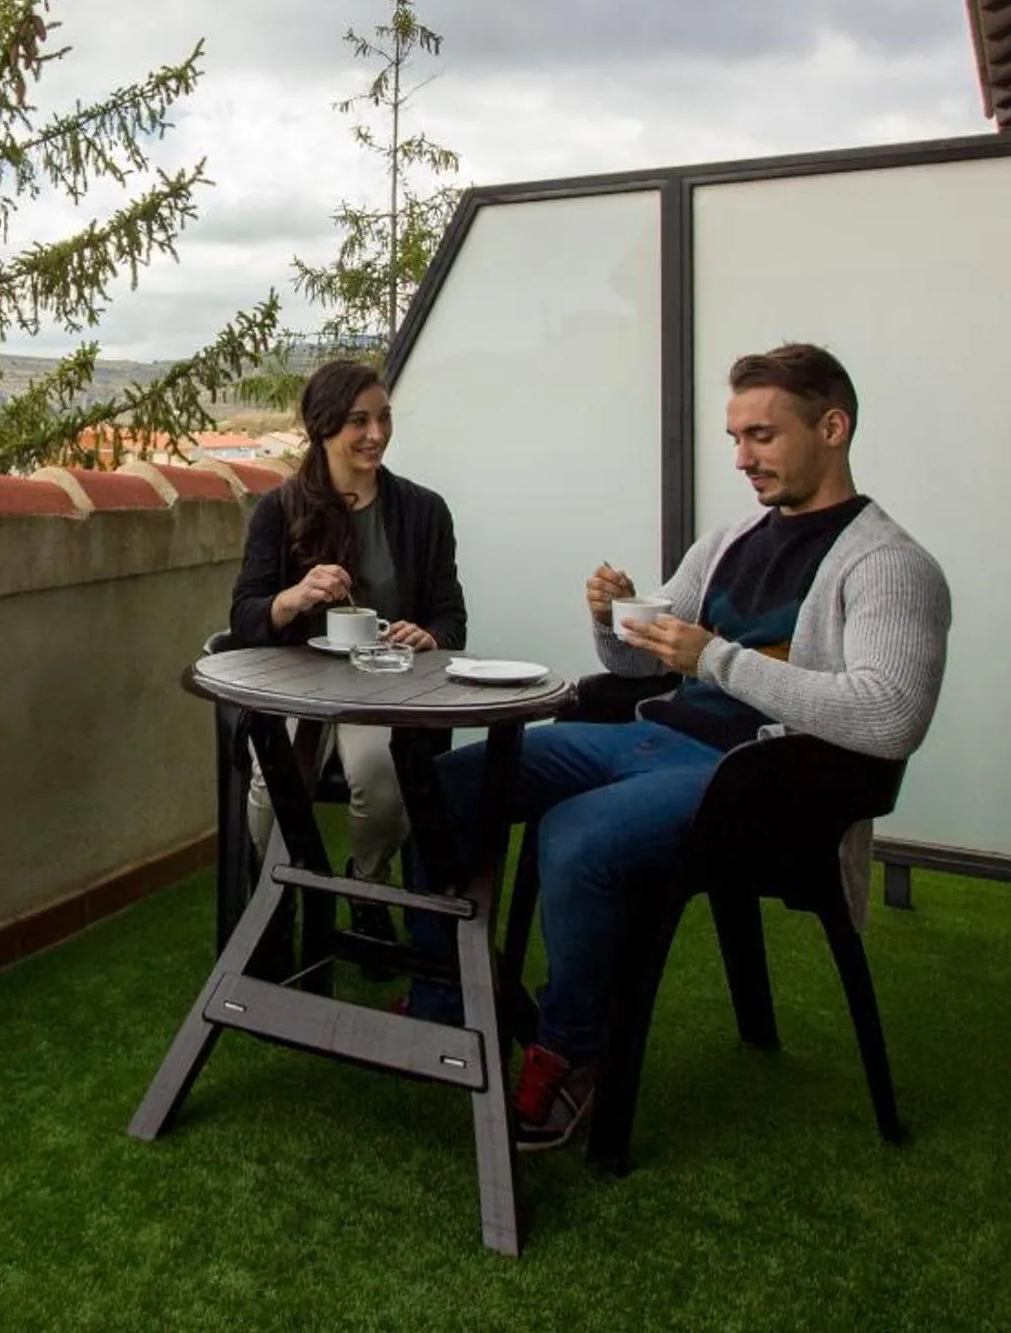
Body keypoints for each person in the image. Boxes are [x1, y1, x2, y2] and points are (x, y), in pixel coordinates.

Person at [407, 342, 950, 1152]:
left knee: (577, 834)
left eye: (761, 435)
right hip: (653, 737)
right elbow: (641, 662)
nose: (741, 458)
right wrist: (613, 618)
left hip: (759, 781)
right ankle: (444, 999)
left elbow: (890, 716)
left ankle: (574, 1053)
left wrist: (714, 659)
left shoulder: (891, 566)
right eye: (735, 437)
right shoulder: (731, 538)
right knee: (445, 784)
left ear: (832, 428)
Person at [227, 359, 467, 902]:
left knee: (381, 778)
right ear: (324, 426)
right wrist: (291, 599)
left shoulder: (425, 512)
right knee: (274, 780)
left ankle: (367, 891)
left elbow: (452, 619)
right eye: (359, 421)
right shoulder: (279, 510)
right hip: (297, 687)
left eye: (384, 417)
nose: (376, 434)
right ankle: (285, 894)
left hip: (384, 688)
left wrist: (429, 637)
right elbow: (244, 617)